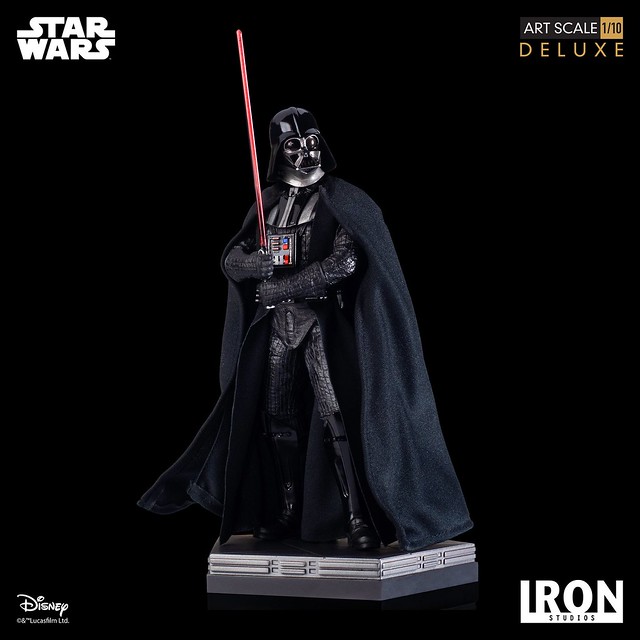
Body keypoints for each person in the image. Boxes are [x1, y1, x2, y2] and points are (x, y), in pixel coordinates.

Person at [138, 107, 473, 552]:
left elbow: (345, 262)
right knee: (278, 417)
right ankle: (288, 508)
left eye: (313, 141)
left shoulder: (344, 201)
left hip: (323, 324)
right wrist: (249, 265)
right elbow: (233, 257)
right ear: (278, 151)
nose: (306, 152)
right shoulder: (267, 205)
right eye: (294, 145)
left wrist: (281, 287)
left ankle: (357, 515)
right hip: (277, 326)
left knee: (337, 417)